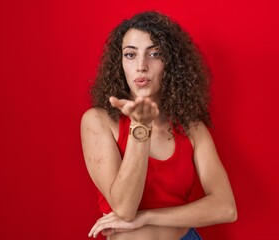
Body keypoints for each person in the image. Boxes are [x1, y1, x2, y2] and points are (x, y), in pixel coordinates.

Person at [81, 11, 237, 240]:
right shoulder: (98, 121)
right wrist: (140, 127)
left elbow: (226, 208)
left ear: (170, 64)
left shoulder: (192, 128)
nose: (142, 66)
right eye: (130, 55)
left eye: (154, 54)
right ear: (120, 63)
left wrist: (148, 217)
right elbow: (124, 208)